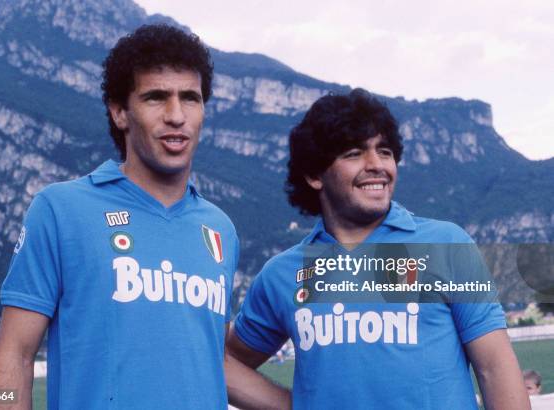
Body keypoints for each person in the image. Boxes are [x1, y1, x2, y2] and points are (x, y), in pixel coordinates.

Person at [0, 24, 239, 409]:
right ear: (120, 112)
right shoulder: (60, 209)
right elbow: (16, 357)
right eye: (156, 98)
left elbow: (214, 361)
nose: (176, 115)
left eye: (190, 98)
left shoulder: (220, 228)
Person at [225, 89, 530, 409]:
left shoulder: (448, 244)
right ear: (315, 175)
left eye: (384, 151)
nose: (376, 165)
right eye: (354, 153)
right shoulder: (282, 274)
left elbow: (495, 368)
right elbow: (227, 362)